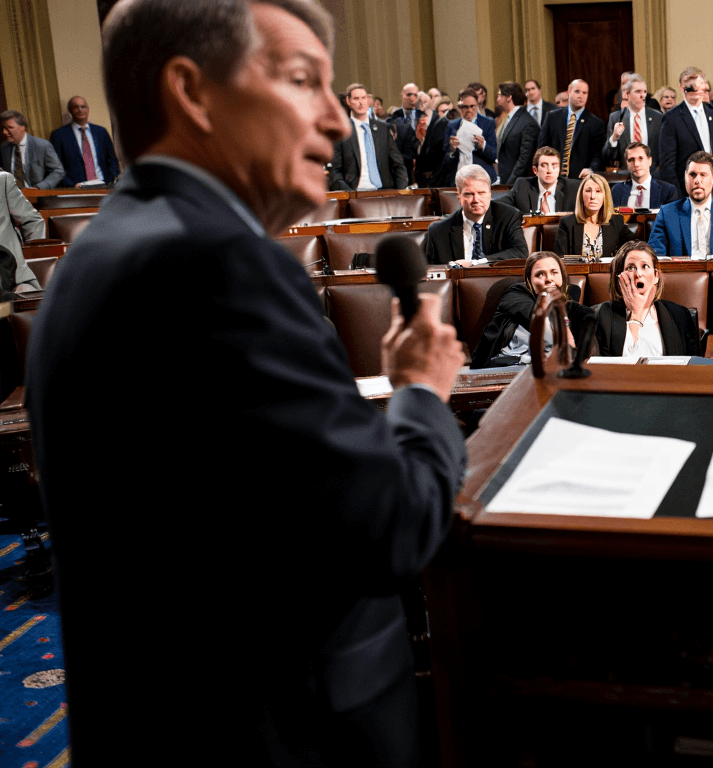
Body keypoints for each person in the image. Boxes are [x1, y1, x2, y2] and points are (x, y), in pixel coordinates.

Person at [28, 1, 467, 763]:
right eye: (303, 81)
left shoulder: (99, 253)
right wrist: (422, 393)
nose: (336, 120)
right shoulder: (221, 264)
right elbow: (388, 527)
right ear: (192, 93)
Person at [472, 251, 592, 367]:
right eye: (540, 274)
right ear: (528, 280)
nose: (549, 279)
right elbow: (537, 320)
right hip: (503, 364)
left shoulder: (568, 298)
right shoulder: (515, 294)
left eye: (554, 272)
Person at [593, 241, 703, 357]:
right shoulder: (601, 316)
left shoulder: (680, 315)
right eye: (630, 268)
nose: (638, 274)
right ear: (619, 277)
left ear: (656, 276)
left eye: (645, 266)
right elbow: (613, 366)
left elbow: (694, 367)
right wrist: (636, 314)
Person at [426, 165, 527, 265]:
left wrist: (477, 262)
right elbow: (432, 272)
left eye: (481, 193)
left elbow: (521, 252)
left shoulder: (508, 216)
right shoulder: (438, 231)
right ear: (459, 196)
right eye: (469, 194)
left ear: (490, 194)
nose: (476, 200)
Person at [658, 69, 713, 191]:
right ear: (681, 87)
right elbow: (667, 165)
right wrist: (675, 197)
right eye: (689, 84)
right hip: (685, 191)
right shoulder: (671, 118)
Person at [328, 83, 407, 190]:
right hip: (355, 193)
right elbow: (335, 171)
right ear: (348, 101)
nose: (361, 103)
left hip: (385, 193)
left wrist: (400, 194)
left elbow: (398, 165)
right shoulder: (341, 131)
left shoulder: (383, 129)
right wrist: (349, 195)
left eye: (363, 98)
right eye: (356, 98)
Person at [649, 151, 713, 257]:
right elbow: (655, 255)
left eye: (703, 175)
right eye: (693, 175)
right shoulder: (667, 213)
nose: (697, 180)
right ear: (685, 177)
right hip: (681, 273)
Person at [539, 79, 604, 180]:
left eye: (584, 93)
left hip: (579, 180)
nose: (580, 96)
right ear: (569, 92)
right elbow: (542, 148)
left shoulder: (596, 123)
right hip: (553, 178)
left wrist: (591, 169)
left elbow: (598, 155)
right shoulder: (552, 117)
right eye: (577, 91)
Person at [555, 173, 629, 260]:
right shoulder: (567, 224)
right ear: (581, 195)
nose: (592, 196)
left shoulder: (616, 222)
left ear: (605, 196)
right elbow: (559, 259)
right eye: (588, 191)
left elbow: (635, 246)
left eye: (598, 191)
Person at [50, 96, 120, 187]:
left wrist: (111, 179)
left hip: (104, 185)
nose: (80, 110)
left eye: (83, 106)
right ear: (70, 110)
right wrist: (72, 185)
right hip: (76, 189)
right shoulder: (59, 135)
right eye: (76, 107)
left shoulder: (101, 132)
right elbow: (56, 166)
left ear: (88, 109)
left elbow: (112, 159)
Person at [435, 88, 497, 186]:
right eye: (465, 107)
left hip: (482, 177)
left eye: (472, 106)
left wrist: (483, 145)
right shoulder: (452, 125)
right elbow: (445, 160)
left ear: (477, 105)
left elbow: (494, 155)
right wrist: (452, 150)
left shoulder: (488, 123)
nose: (469, 110)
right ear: (459, 107)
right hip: (459, 177)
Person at [604, 75, 663, 171]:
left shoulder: (658, 117)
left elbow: (664, 152)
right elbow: (607, 156)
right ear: (627, 95)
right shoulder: (616, 118)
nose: (642, 95)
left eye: (644, 91)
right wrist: (614, 138)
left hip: (652, 176)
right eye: (637, 91)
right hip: (626, 177)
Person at [0, 170, 44, 292]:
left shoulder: (2, 181)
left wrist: (33, 260)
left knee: (26, 292)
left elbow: (32, 221)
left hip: (12, 280)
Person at [0, 111, 65, 189]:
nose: (4, 132)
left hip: (37, 196)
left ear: (22, 127)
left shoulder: (42, 145)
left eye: (9, 128)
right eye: (3, 128)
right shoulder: (4, 147)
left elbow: (58, 171)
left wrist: (39, 188)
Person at [506, 146, 577, 214]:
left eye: (554, 166)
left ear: (559, 170)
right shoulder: (522, 185)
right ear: (535, 170)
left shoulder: (572, 188)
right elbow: (499, 205)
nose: (549, 171)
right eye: (544, 166)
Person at [494, 81, 539, 183]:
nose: (497, 99)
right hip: (504, 179)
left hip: (516, 184)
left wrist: (509, 183)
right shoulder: (509, 118)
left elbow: (525, 159)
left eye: (499, 95)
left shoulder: (527, 122)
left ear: (509, 97)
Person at [611, 142, 678, 209]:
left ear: (650, 161)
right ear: (627, 164)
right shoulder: (617, 190)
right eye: (631, 160)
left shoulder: (668, 191)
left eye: (641, 158)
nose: (636, 164)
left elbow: (671, 218)